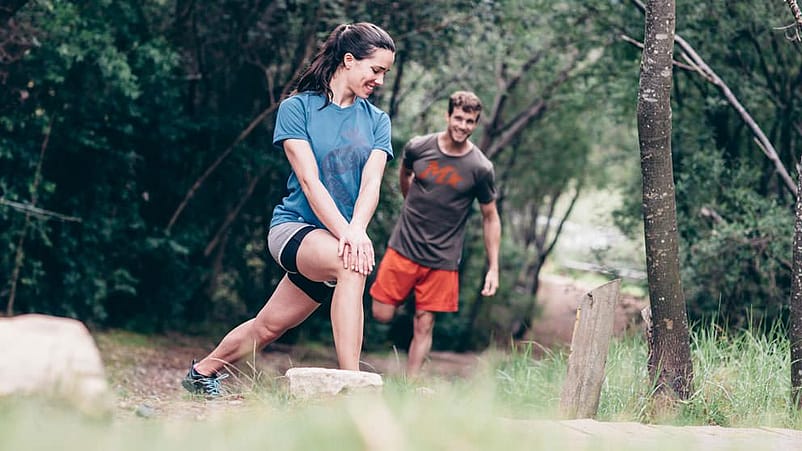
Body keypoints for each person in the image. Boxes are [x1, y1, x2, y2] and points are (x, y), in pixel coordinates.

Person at [182, 22, 396, 396]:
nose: (380, 80)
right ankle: (354, 390)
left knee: (268, 326)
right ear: (349, 60)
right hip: (294, 229)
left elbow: (371, 185)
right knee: (351, 265)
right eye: (375, 69)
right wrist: (349, 235)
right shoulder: (297, 108)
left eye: (385, 73)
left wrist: (356, 230)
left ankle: (201, 373)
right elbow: (310, 183)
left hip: (338, 237)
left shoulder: (377, 121)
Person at [370, 91, 501, 378]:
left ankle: (409, 384)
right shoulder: (419, 147)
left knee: (424, 323)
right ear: (448, 115)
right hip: (404, 247)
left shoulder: (480, 168)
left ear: (476, 124)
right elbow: (405, 174)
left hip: (442, 258)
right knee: (381, 313)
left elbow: (490, 217)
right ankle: (404, 304)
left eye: (470, 121)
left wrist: (493, 267)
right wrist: (410, 202)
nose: (463, 126)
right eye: (459, 118)